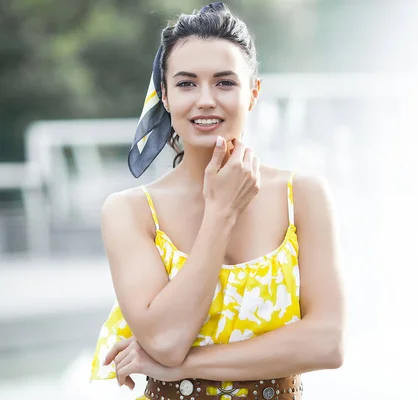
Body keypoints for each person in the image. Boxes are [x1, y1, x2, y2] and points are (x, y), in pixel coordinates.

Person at [88, 3, 345, 399]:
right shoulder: (131, 212)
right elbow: (167, 340)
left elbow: (327, 343)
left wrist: (186, 366)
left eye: (225, 83)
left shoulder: (303, 197)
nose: (205, 100)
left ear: (253, 92)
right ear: (166, 97)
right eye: (187, 84)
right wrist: (221, 211)